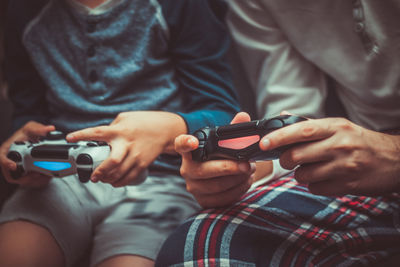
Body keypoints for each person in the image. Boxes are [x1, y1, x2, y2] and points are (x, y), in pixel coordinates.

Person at [155, 0, 400, 266]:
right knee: (205, 242)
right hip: (363, 165)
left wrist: (394, 154)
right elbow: (293, 117)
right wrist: (235, 175)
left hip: (382, 157)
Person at [0, 0, 240, 266]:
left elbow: (224, 115)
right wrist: (22, 149)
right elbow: (29, 111)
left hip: (161, 180)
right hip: (61, 180)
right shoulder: (23, 11)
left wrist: (169, 129)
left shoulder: (178, 6)